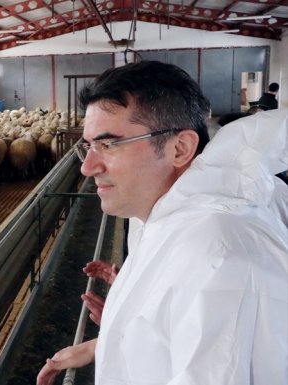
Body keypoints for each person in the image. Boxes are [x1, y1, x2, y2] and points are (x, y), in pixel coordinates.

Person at [37, 61, 288, 385]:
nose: (87, 166)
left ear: (179, 148)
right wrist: (113, 336)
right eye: (89, 146)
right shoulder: (163, 219)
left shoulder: (218, 258)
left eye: (108, 144)